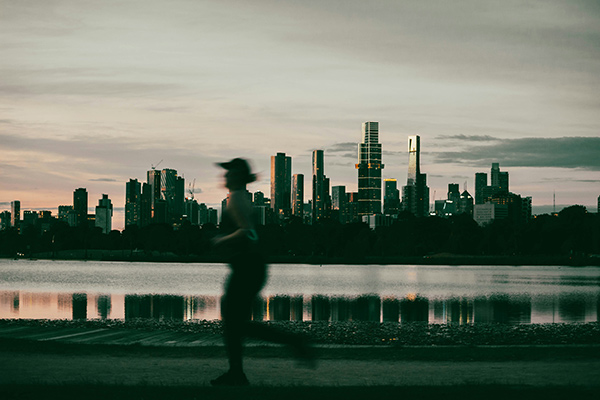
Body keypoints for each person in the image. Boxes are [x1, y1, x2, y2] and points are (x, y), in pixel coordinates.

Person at [210, 158, 315, 386]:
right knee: (235, 322)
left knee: (234, 322)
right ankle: (238, 372)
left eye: (229, 173)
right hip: (250, 266)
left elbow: (247, 232)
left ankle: (292, 342)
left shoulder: (236, 198)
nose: (225, 176)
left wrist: (221, 240)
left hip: (247, 266)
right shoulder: (239, 198)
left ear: (237, 177)